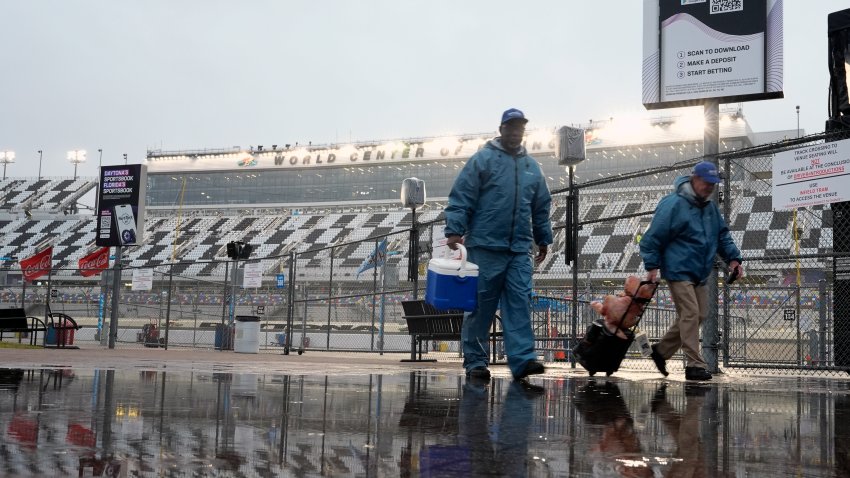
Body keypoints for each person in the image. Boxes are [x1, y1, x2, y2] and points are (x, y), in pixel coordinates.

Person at [444, 107, 553, 381]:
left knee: (519, 303)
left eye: (520, 128)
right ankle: (476, 362)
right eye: (511, 127)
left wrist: (543, 238)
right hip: (484, 247)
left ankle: (523, 360)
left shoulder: (532, 168)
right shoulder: (483, 160)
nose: (515, 132)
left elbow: (541, 206)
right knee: (481, 308)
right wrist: (455, 230)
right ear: (501, 129)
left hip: (518, 250)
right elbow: (462, 195)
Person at [639, 161, 743, 381]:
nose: (710, 188)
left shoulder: (710, 208)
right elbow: (652, 237)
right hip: (677, 269)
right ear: (694, 178)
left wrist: (734, 259)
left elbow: (722, 235)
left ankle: (661, 352)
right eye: (707, 183)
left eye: (713, 184)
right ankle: (695, 365)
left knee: (700, 314)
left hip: (699, 272)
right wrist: (652, 266)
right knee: (690, 313)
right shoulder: (673, 204)